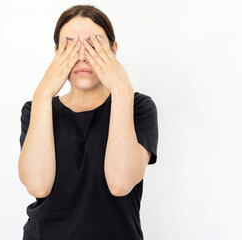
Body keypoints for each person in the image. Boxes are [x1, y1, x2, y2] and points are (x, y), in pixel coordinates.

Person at [18, 4, 158, 240]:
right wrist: (43, 93)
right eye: (70, 46)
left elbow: (120, 183)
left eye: (94, 45)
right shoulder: (36, 109)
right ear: (56, 53)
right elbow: (38, 186)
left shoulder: (138, 107)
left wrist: (121, 87)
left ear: (113, 50)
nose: (82, 56)